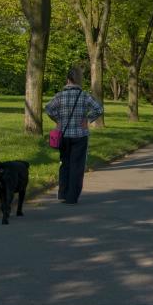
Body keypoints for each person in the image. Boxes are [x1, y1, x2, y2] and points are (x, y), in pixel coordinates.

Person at [46, 66, 103, 204]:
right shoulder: (84, 96)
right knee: (77, 166)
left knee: (64, 164)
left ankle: (63, 194)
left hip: (64, 135)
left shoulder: (59, 96)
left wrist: (58, 120)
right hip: (80, 135)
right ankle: (72, 196)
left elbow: (48, 108)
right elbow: (99, 109)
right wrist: (88, 120)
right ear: (79, 80)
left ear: (67, 79)